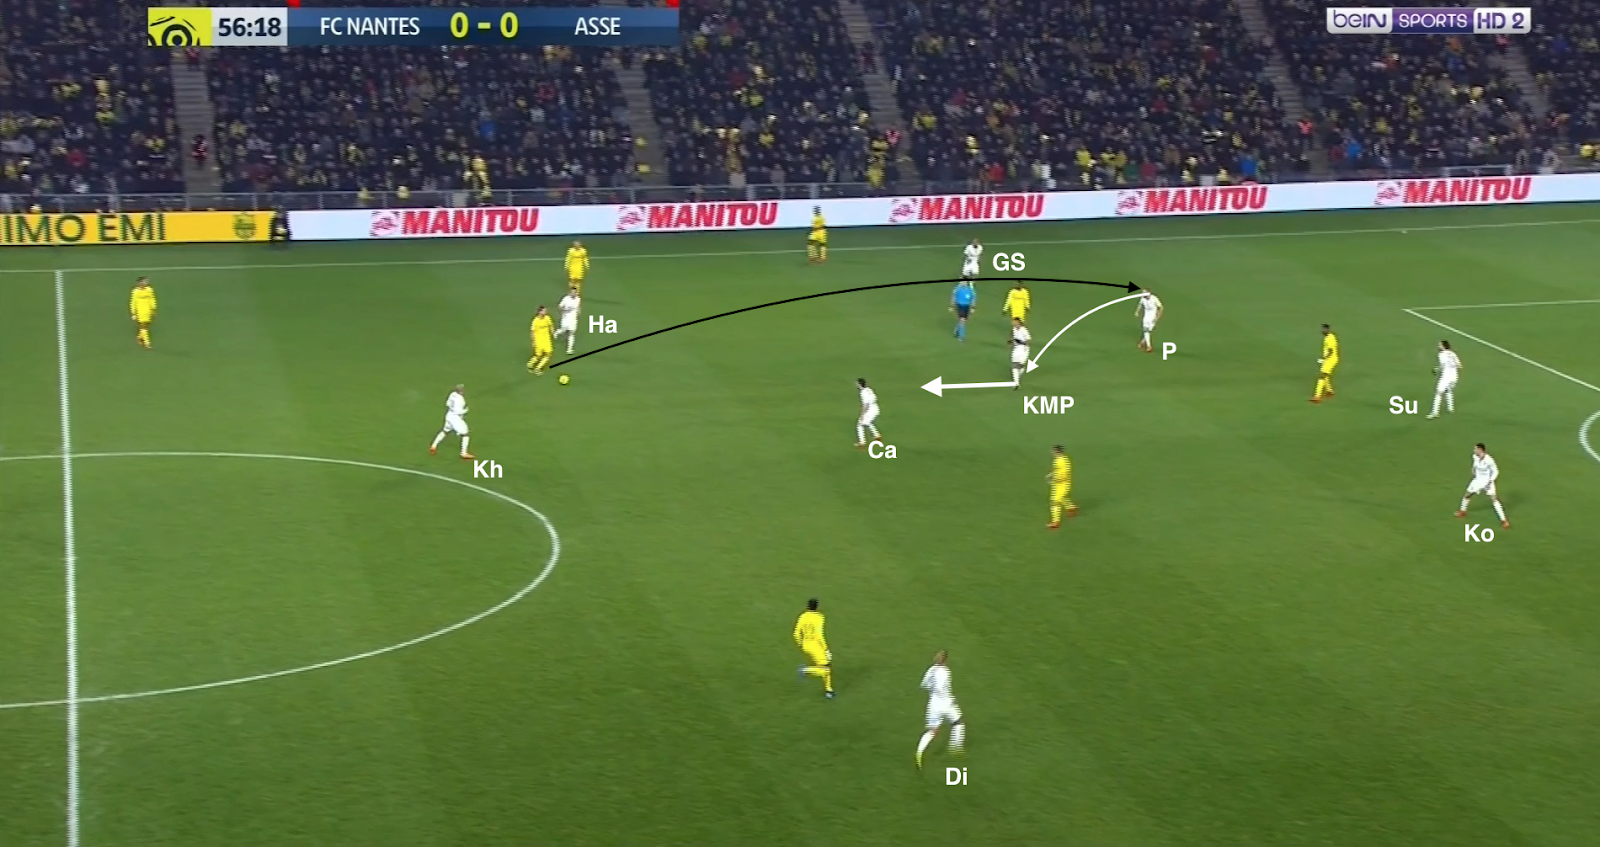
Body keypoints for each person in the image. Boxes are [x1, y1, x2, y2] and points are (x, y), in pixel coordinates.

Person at [916, 650, 963, 768]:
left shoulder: (930, 670)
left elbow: (924, 685)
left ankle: (919, 752)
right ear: (946, 661)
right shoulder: (945, 672)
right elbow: (942, 688)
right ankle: (955, 748)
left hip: (933, 704)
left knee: (933, 731)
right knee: (958, 723)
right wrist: (949, 699)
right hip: (945, 703)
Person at [1456, 442, 1509, 528]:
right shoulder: (1475, 456)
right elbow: (1474, 465)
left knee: (1494, 499)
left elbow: (1496, 471)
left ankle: (1504, 520)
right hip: (1478, 480)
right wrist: (1473, 471)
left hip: (1487, 481)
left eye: (1476, 449)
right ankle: (1463, 511)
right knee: (1467, 494)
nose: (1474, 450)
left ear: (1481, 450)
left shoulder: (1489, 460)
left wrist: (1490, 480)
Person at [793, 598, 834, 698]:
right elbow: (819, 634)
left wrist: (800, 644)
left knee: (826, 666)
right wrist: (826, 649)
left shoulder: (803, 616)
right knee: (826, 669)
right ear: (817, 607)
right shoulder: (819, 617)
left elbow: (796, 633)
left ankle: (829, 690)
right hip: (815, 645)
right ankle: (804, 670)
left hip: (806, 644)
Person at [428, 384, 474, 460]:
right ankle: (463, 453)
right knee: (465, 434)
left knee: (445, 431)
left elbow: (447, 404)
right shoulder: (460, 399)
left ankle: (433, 446)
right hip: (455, 418)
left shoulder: (452, 394)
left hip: (449, 415)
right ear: (461, 391)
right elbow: (458, 411)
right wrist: (465, 410)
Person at [1428, 340, 1461, 419]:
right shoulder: (1453, 354)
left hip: (1446, 377)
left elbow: (1442, 365)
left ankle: (1435, 412)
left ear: (1443, 346)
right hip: (1454, 377)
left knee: (1438, 393)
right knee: (1448, 390)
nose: (1438, 346)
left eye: (1440, 345)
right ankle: (1450, 408)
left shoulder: (1441, 354)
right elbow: (1459, 366)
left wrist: (1436, 369)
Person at [1046, 444, 1075, 529]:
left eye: (1053, 451)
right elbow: (1059, 470)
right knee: (1062, 498)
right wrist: (1052, 474)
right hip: (1059, 484)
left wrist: (1055, 479)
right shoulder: (1060, 459)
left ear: (1057, 452)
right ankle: (1071, 508)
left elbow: (1064, 475)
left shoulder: (1061, 461)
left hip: (1063, 484)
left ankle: (1055, 522)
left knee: (1055, 502)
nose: (1052, 452)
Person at [1312, 324, 1339, 402]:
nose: (1322, 331)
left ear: (1328, 330)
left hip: (1331, 360)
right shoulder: (1328, 337)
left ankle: (1317, 396)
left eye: (1324, 329)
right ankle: (1329, 391)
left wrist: (1323, 359)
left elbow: (1331, 351)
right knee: (1325, 375)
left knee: (1322, 376)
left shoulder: (1330, 338)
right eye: (1322, 329)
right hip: (1329, 359)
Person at [129, 276, 157, 349]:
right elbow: (133, 302)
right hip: (139, 311)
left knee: (146, 326)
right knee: (143, 326)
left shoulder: (149, 289)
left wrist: (153, 309)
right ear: (140, 282)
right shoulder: (135, 291)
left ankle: (139, 337)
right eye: (144, 281)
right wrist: (133, 312)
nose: (146, 283)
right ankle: (147, 343)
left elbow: (152, 299)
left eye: (146, 281)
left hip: (147, 310)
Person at [855, 377, 882, 448]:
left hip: (870, 410)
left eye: (857, 384)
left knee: (860, 424)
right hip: (875, 408)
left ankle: (862, 443)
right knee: (867, 422)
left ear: (860, 385)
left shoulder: (863, 393)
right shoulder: (869, 389)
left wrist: (862, 415)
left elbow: (865, 405)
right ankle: (877, 435)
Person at [527, 306, 555, 374]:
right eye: (544, 311)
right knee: (538, 356)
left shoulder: (547, 318)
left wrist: (553, 332)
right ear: (539, 312)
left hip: (547, 340)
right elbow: (532, 332)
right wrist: (533, 341)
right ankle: (530, 364)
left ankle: (538, 368)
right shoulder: (535, 321)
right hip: (538, 340)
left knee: (548, 354)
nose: (546, 312)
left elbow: (551, 325)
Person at [556, 286, 582, 355]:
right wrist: (564, 309)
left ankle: (569, 349)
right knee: (563, 330)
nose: (573, 293)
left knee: (571, 333)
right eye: (572, 292)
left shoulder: (578, 299)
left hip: (573, 320)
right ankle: (557, 332)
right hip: (565, 319)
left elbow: (578, 307)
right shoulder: (566, 299)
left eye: (575, 292)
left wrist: (579, 312)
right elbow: (560, 306)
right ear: (570, 292)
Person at [1010, 316, 1030, 387]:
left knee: (1020, 365)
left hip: (1023, 349)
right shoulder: (1014, 329)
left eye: (1015, 322)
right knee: (1015, 364)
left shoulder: (1023, 330)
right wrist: (1012, 341)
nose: (1014, 323)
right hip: (1016, 348)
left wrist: (1021, 342)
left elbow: (1028, 340)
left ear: (1019, 323)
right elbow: (1014, 337)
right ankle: (1017, 382)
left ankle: (1017, 379)